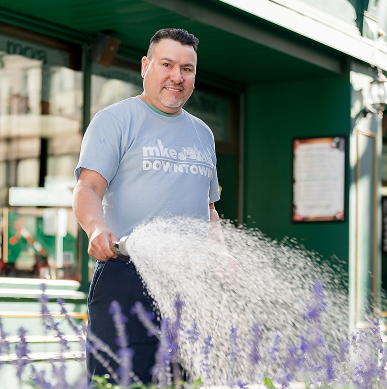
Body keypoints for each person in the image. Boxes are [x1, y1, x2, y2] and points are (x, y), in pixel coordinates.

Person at [73, 28, 230, 384]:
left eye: (187, 69)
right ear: (146, 66)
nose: (177, 76)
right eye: (167, 64)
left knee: (182, 382)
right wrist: (96, 228)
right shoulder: (115, 120)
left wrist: (221, 252)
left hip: (190, 283)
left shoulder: (203, 134)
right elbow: (87, 188)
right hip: (126, 277)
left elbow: (208, 210)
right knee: (118, 382)